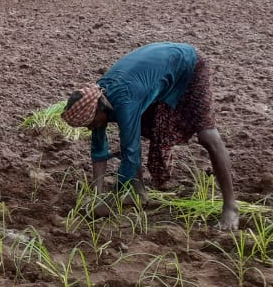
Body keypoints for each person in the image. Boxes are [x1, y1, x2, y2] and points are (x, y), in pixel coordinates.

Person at [61, 42, 238, 231]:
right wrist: (97, 197)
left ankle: (231, 206)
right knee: (135, 131)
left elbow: (131, 156)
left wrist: (110, 200)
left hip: (188, 65)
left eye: (91, 123)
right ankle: (138, 193)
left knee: (207, 135)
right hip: (156, 72)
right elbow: (98, 150)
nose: (91, 128)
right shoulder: (98, 99)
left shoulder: (124, 100)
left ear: (99, 110)